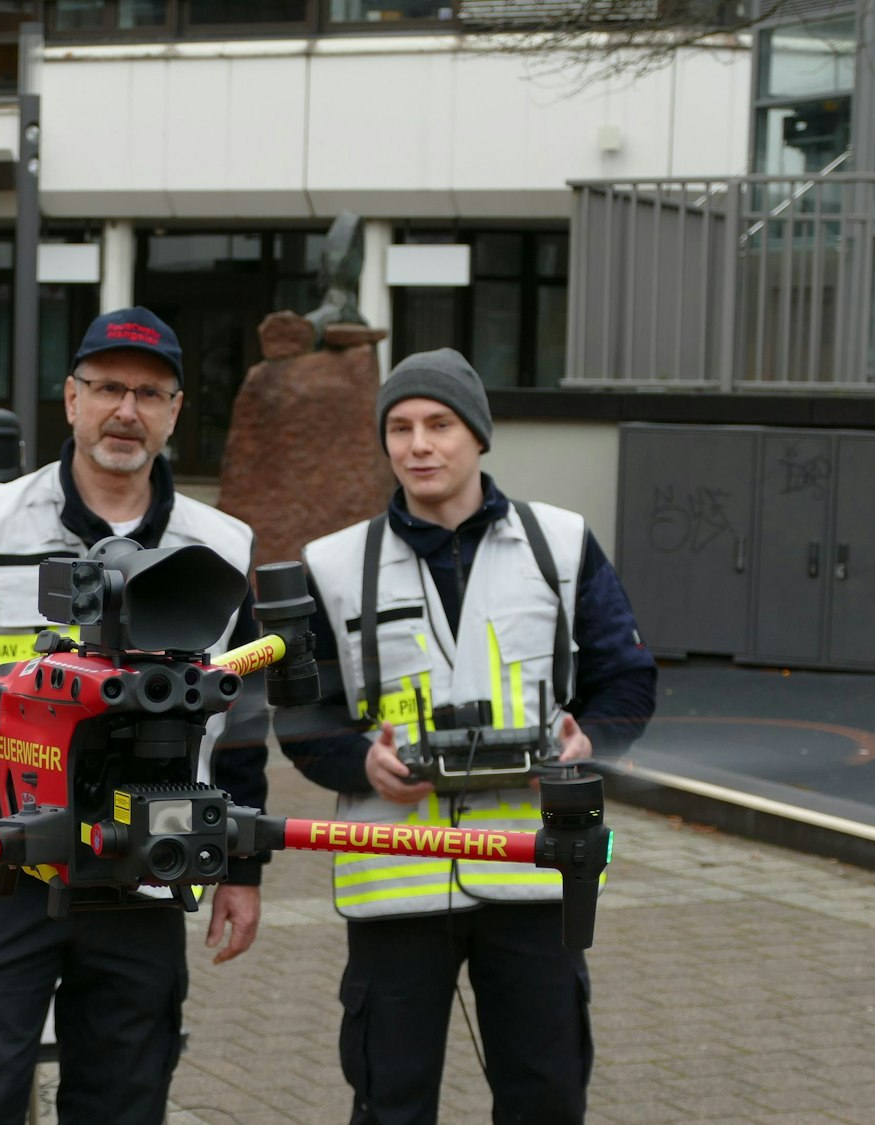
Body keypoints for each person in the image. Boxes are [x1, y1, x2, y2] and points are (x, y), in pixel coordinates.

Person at [0, 307, 269, 1125]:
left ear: (174, 411)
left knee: (124, 1106)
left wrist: (242, 868)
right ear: (71, 397)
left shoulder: (221, 550)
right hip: (9, 865)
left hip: (151, 870)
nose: (127, 410)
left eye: (150, 393)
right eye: (109, 387)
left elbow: (243, 720)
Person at [277, 348, 657, 1125]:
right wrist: (363, 762)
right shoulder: (334, 563)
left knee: (546, 1095)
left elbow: (627, 678)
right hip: (397, 873)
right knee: (390, 1102)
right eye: (400, 427)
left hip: (534, 870)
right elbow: (302, 718)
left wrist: (588, 746)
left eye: (440, 424)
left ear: (478, 434)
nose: (419, 445)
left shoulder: (561, 544)